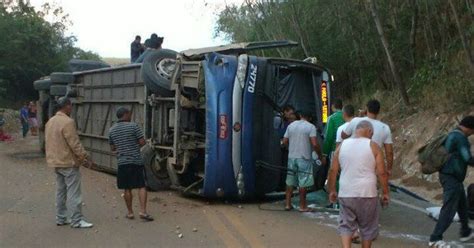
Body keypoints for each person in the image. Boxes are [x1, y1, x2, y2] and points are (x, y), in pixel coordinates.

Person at [328, 120, 390, 248]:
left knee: (346, 225)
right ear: (370, 131)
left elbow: (333, 170)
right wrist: (385, 192)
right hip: (368, 193)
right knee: (367, 228)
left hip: (346, 193)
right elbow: (382, 173)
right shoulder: (374, 146)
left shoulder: (342, 146)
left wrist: (332, 190)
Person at [45, 97, 94, 228]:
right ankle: (76, 220)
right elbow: (74, 143)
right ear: (66, 106)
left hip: (55, 162)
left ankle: (61, 218)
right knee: (74, 192)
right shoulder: (68, 122)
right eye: (70, 106)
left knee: (61, 191)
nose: (71, 108)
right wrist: (85, 157)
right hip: (68, 162)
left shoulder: (50, 121)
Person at [429, 116, 474, 247]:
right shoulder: (460, 138)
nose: (472, 134)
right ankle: (435, 238)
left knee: (462, 205)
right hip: (451, 177)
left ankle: (465, 231)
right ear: (469, 128)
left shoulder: (452, 133)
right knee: (449, 209)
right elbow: (467, 158)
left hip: (449, 175)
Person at [108, 107, 154, 221]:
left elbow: (113, 148)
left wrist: (122, 149)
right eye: (129, 114)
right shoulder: (134, 126)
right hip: (136, 161)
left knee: (127, 188)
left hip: (122, 163)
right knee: (141, 186)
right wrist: (134, 147)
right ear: (126, 114)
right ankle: (143, 211)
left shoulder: (112, 130)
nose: (131, 116)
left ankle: (130, 213)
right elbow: (142, 142)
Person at [282, 111, 323, 212]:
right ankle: (302, 206)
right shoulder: (310, 127)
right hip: (304, 158)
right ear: (309, 118)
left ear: (300, 116)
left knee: (290, 181)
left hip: (291, 157)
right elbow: (314, 143)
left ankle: (287, 204)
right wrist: (319, 155)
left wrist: (290, 148)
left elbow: (284, 141)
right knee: (303, 182)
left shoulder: (291, 125)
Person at [342, 100, 393, 176]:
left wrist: (359, 117)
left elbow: (343, 135)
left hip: (353, 165)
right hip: (372, 168)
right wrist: (389, 169)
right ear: (378, 111)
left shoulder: (355, 121)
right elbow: (389, 152)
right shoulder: (385, 128)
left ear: (366, 109)